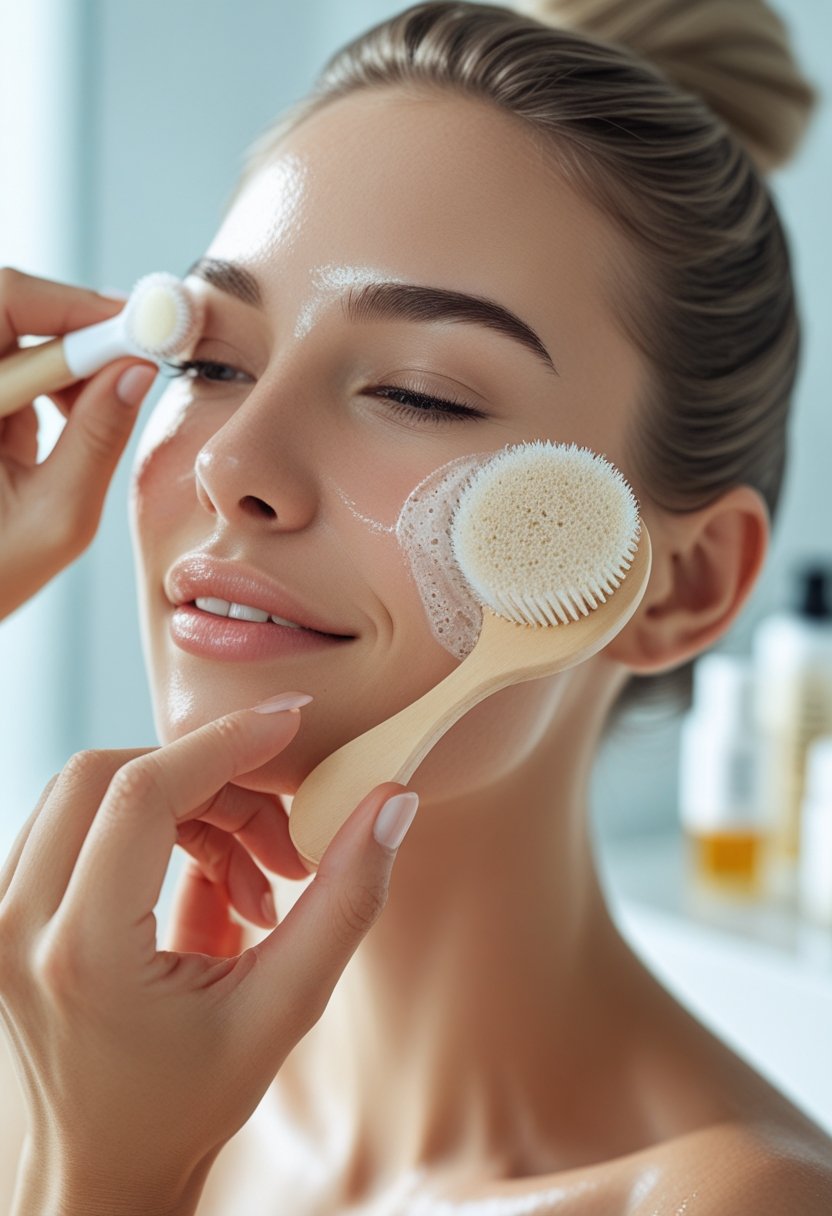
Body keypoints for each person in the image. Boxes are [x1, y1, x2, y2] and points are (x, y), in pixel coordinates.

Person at [1, 0, 830, 1212]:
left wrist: (104, 1174)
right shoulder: (55, 1019)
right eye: (212, 363)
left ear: (683, 583)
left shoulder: (730, 1203)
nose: (233, 461)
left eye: (418, 393)